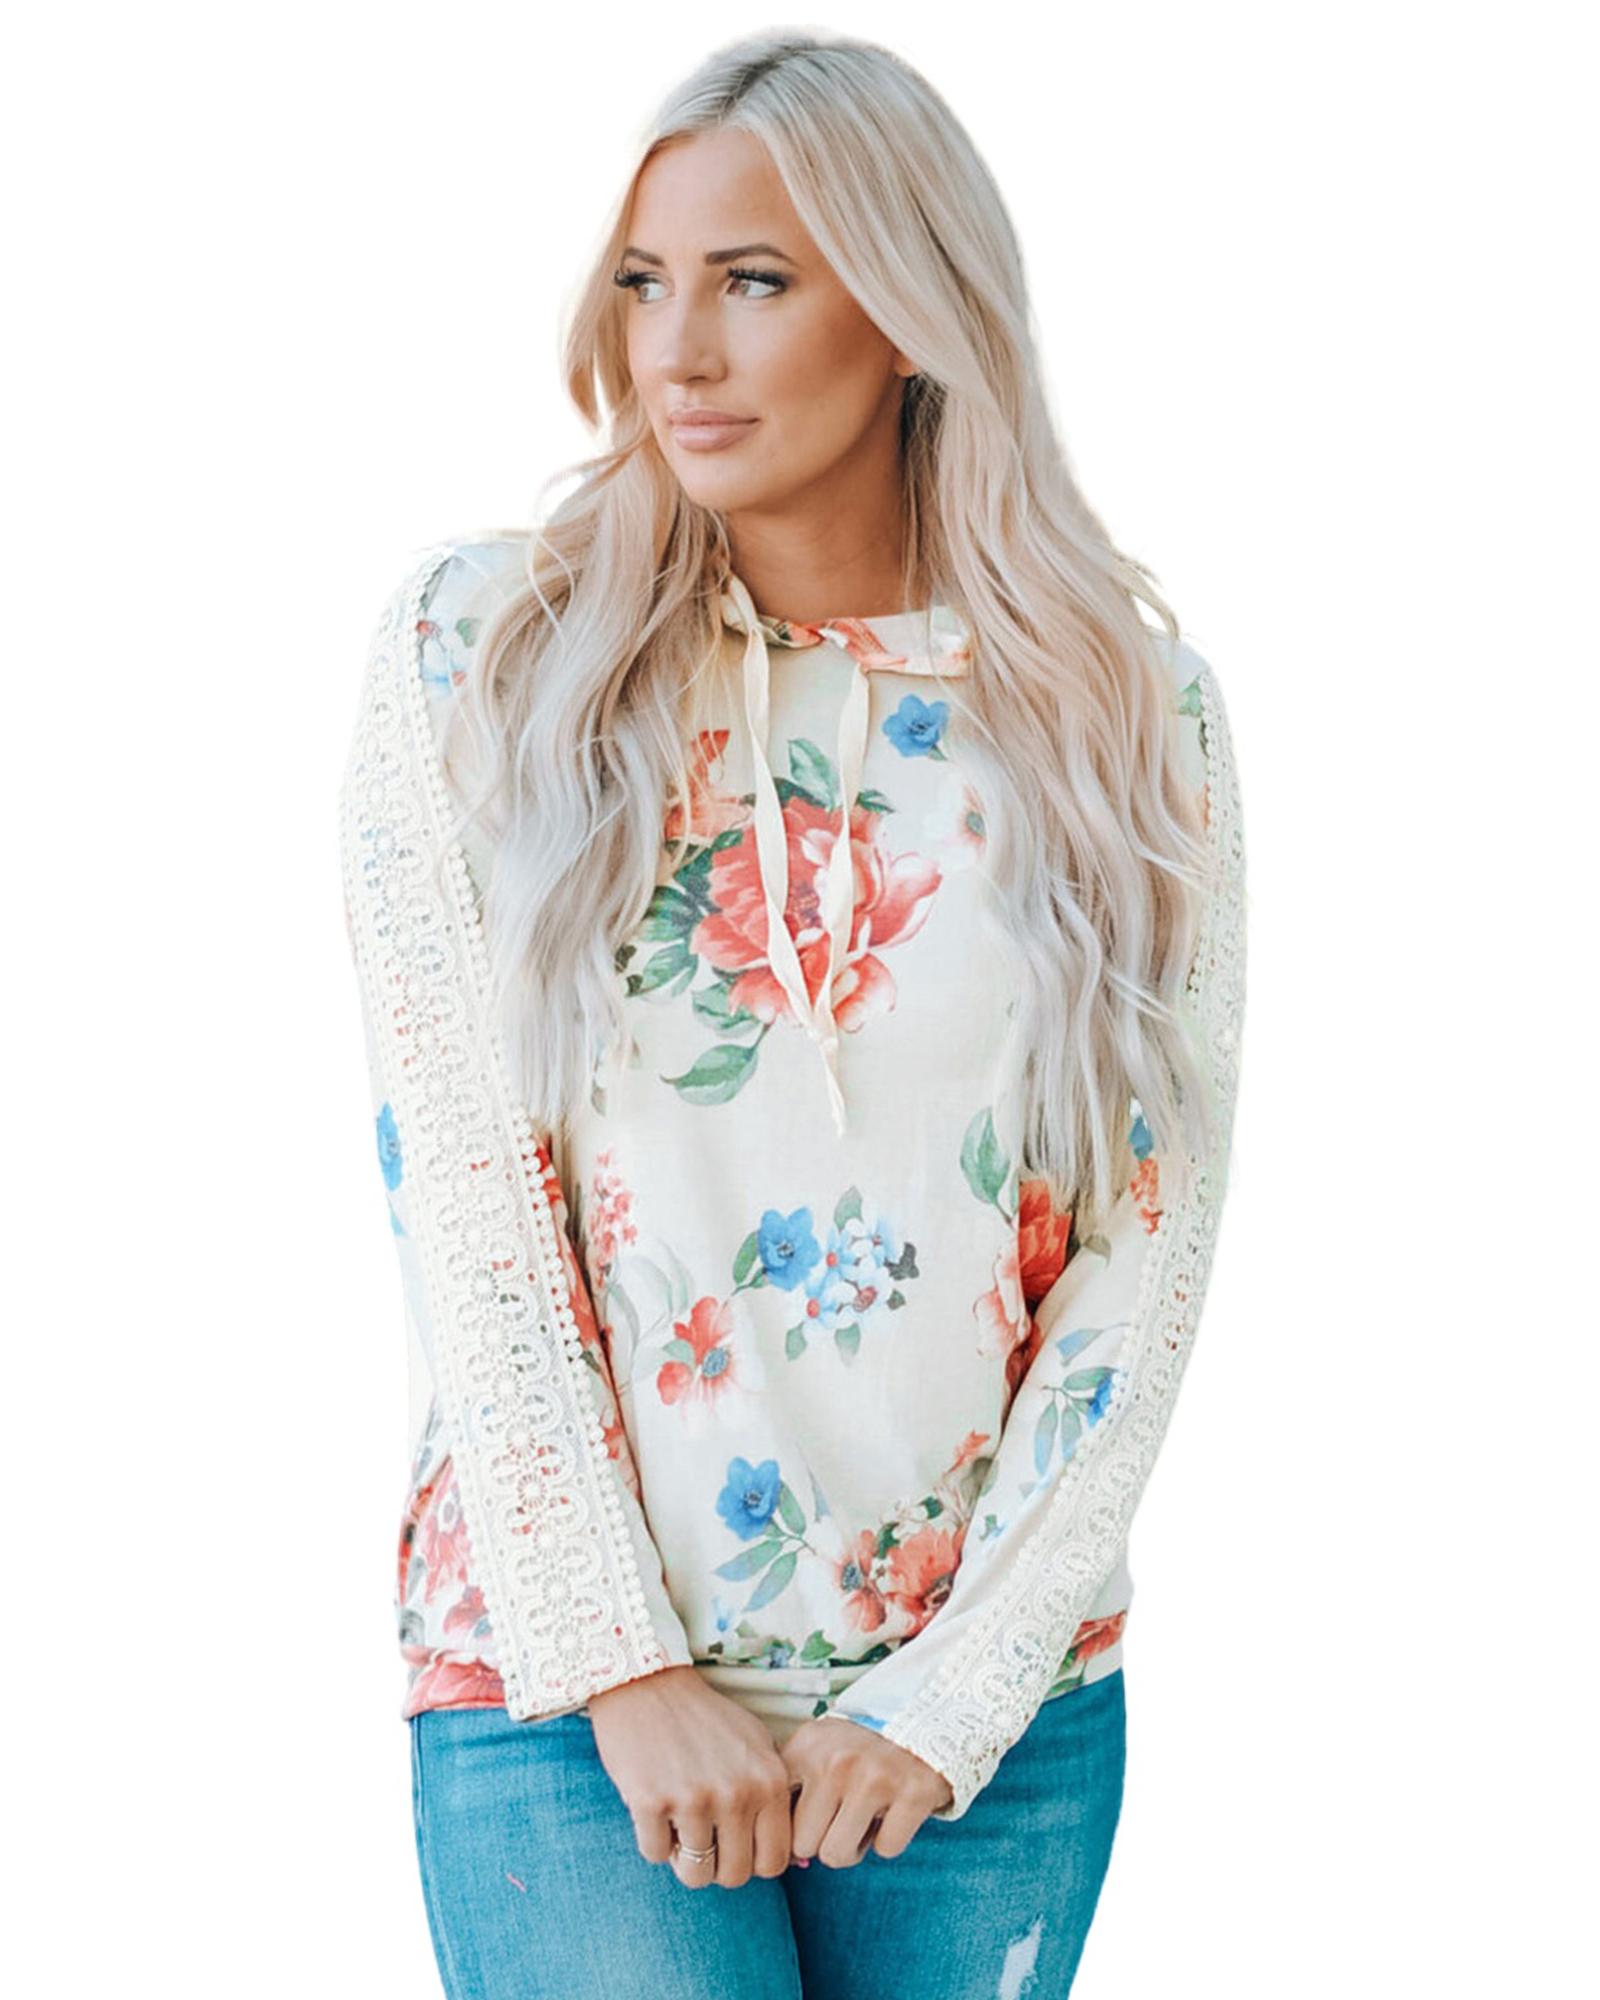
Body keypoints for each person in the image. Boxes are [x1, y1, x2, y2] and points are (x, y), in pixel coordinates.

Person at [337, 28, 1246, 2000]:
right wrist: (623, 1668)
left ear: (912, 310)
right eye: (643, 282)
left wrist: (960, 1688)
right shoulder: (485, 658)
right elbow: (468, 1197)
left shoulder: (1123, 715)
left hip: (983, 1726)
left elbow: (1148, 1238)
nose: (678, 349)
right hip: (567, 1703)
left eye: (752, 281)